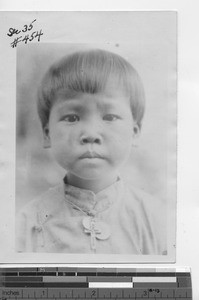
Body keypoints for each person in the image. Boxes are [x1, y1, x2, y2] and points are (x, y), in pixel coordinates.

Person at [16, 48, 166, 254]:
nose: (91, 134)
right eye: (72, 118)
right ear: (47, 133)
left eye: (110, 117)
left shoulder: (155, 218)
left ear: (135, 131)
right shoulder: (27, 223)